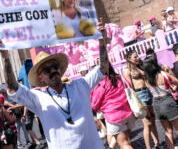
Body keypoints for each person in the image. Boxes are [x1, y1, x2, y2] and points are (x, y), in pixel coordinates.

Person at [1, 18, 109, 149]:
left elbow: (103, 68)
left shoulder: (80, 85)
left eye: (55, 66)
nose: (52, 70)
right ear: (40, 78)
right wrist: (6, 58)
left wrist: (101, 39)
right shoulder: (38, 98)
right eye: (47, 69)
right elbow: (13, 88)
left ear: (60, 69)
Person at [143, 54, 178, 149]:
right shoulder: (162, 75)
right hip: (167, 101)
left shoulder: (147, 80)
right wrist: (170, 72)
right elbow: (177, 82)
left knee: (168, 132)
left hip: (156, 104)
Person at [91, 63, 135, 149]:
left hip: (114, 116)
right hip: (127, 112)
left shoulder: (101, 84)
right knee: (126, 141)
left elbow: (94, 104)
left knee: (124, 144)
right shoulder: (117, 78)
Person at [123, 50, 159, 149]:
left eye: (137, 56)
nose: (137, 58)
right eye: (135, 56)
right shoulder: (127, 70)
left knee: (153, 119)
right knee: (147, 123)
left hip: (147, 93)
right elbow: (129, 88)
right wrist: (134, 101)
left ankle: (157, 143)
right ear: (128, 59)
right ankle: (148, 147)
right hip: (139, 95)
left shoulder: (140, 66)